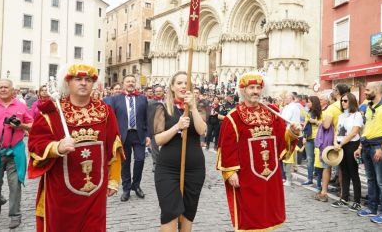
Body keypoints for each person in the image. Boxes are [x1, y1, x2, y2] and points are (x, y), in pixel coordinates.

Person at [27, 64, 123, 232]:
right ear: (68, 83)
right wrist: (57, 147)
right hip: (61, 192)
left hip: (94, 191)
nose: (83, 83)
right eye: (78, 79)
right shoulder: (52, 113)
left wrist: (114, 179)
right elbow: (35, 145)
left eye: (88, 80)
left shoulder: (105, 111)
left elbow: (114, 145)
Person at [217, 71, 300, 231]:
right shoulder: (233, 117)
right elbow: (227, 146)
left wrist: (293, 133)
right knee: (249, 216)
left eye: (258, 87)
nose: (255, 91)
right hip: (247, 175)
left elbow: (282, 141)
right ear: (243, 90)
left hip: (270, 176)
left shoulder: (272, 112)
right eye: (251, 87)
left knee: (269, 214)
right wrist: (231, 171)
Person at [153, 71, 206, 232]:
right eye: (180, 83)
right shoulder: (162, 108)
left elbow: (202, 130)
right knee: (170, 212)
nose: (183, 86)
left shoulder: (200, 107)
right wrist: (177, 126)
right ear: (172, 87)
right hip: (167, 169)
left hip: (194, 169)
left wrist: (194, 108)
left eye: (187, 83)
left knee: (188, 214)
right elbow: (158, 139)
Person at [0, 79, 33, 229]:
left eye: (6, 87)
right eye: (0, 87)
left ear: (12, 90)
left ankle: (15, 215)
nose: (3, 89)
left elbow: (32, 125)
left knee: (15, 184)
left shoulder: (21, 106)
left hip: (15, 152)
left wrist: (20, 125)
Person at [354, 81, 382, 224]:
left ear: (377, 90)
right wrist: (360, 147)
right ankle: (372, 208)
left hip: (379, 145)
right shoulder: (370, 106)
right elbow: (366, 128)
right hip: (366, 145)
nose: (365, 92)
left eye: (367, 90)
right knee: (371, 180)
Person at [111, 74, 151, 200]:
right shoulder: (116, 99)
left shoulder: (142, 99)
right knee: (125, 163)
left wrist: (148, 135)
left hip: (139, 134)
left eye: (132, 81)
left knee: (140, 160)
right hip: (123, 135)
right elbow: (112, 120)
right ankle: (126, 189)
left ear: (135, 83)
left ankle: (136, 185)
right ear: (124, 83)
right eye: (128, 81)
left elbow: (147, 118)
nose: (130, 83)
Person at [314, 83, 349, 202]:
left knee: (327, 166)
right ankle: (343, 194)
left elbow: (327, 125)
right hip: (347, 139)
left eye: (334, 90)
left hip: (332, 140)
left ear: (337, 92)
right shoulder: (351, 104)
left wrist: (322, 122)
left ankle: (324, 192)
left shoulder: (332, 107)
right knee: (342, 168)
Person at [331, 93, 364, 211]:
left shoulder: (357, 115)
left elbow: (354, 132)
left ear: (351, 101)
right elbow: (337, 131)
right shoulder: (341, 116)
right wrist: (335, 142)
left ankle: (357, 201)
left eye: (345, 101)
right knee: (343, 172)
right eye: (342, 101)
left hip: (351, 145)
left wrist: (340, 144)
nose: (343, 103)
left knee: (353, 173)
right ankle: (344, 198)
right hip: (340, 145)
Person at [301, 96, 323, 186]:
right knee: (309, 159)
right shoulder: (308, 112)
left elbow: (324, 124)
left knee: (318, 159)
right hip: (309, 138)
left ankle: (319, 181)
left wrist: (314, 121)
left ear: (314, 103)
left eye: (309, 102)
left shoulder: (321, 113)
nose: (307, 103)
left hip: (318, 138)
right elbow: (305, 126)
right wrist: (304, 137)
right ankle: (309, 179)